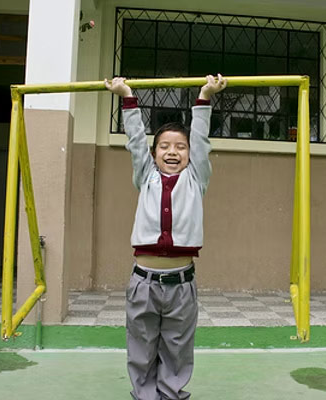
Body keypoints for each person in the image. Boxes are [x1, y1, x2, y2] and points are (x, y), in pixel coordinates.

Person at [104, 74, 227, 400]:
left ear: (189, 153)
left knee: (177, 349)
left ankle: (170, 395)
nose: (173, 152)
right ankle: (145, 396)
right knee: (141, 347)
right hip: (144, 282)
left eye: (180, 147)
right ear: (154, 152)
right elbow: (134, 141)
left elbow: (201, 141)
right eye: (164, 146)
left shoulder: (196, 178)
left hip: (181, 285)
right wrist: (126, 96)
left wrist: (204, 97)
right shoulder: (145, 176)